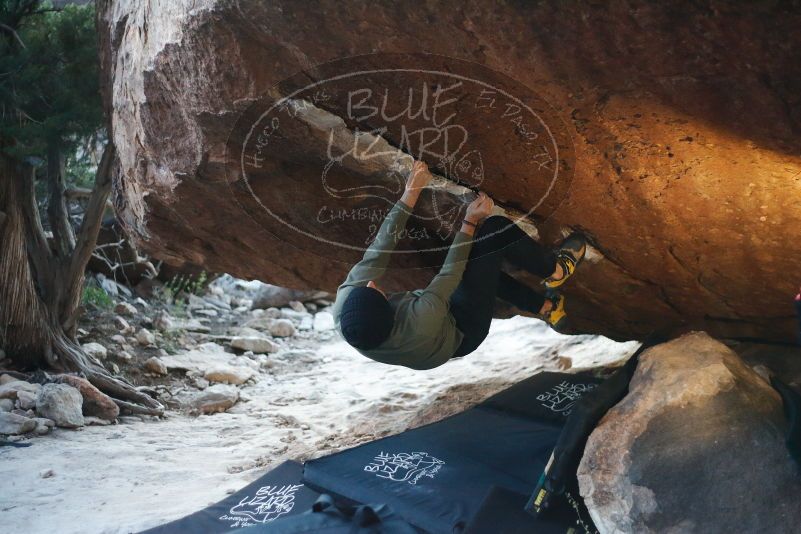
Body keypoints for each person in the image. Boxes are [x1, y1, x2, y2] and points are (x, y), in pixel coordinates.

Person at [332, 161, 587, 370]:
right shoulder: (421, 320)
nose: (370, 282)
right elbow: (450, 274)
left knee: (481, 270)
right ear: (391, 314)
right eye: (375, 291)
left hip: (431, 332)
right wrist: (470, 220)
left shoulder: (347, 310)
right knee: (492, 232)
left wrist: (410, 193)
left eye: (363, 288)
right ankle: (556, 270)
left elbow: (380, 249)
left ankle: (546, 307)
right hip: (463, 331)